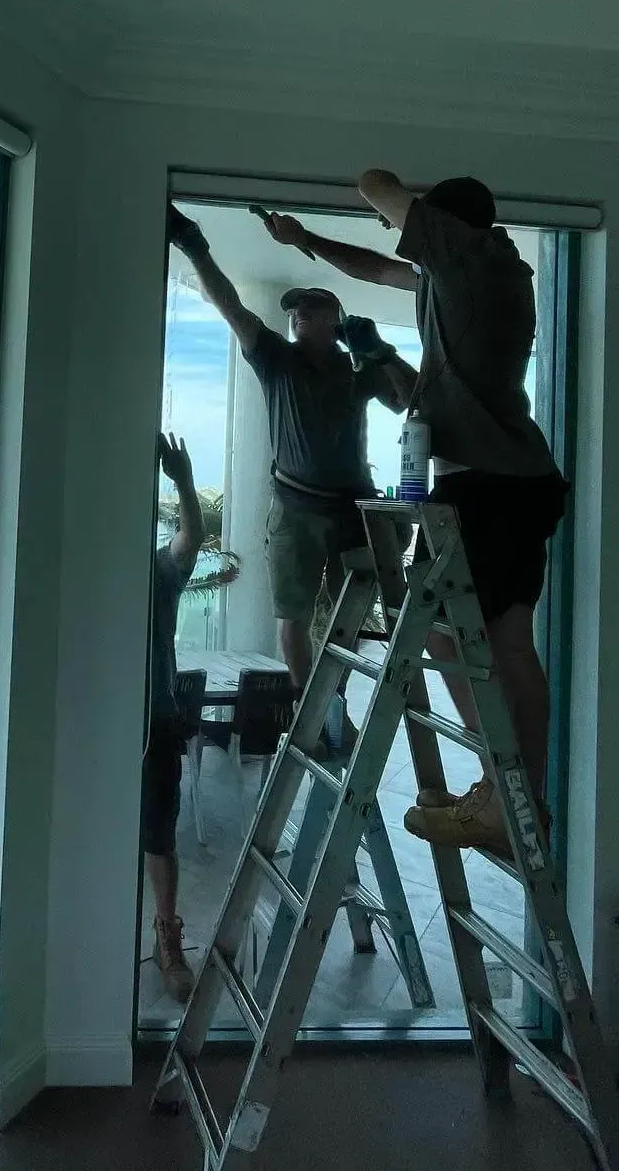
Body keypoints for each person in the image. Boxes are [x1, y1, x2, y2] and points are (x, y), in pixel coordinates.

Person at [266, 172, 568, 857]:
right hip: (520, 480)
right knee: (512, 643)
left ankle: (500, 791)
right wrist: (306, 238)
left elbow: (374, 182)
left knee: (440, 634)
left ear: (443, 226)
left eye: (420, 226)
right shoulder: (481, 275)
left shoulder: (466, 261)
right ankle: (522, 800)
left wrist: (411, 194)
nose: (400, 235)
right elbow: (377, 267)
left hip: (481, 487)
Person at [167, 203, 417, 748]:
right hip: (297, 508)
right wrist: (193, 246)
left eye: (312, 307)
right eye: (296, 310)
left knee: (349, 617)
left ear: (336, 321)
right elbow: (230, 305)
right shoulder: (275, 359)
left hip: (355, 508)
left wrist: (379, 350)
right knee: (294, 616)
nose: (299, 313)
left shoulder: (361, 372)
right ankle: (311, 708)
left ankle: (339, 705)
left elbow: (413, 399)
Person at [146, 432, 203, 1002]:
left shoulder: (159, 572)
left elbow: (191, 540)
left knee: (159, 837)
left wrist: (183, 481)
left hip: (157, 724)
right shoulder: (92, 572)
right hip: (101, 724)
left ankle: (167, 937)